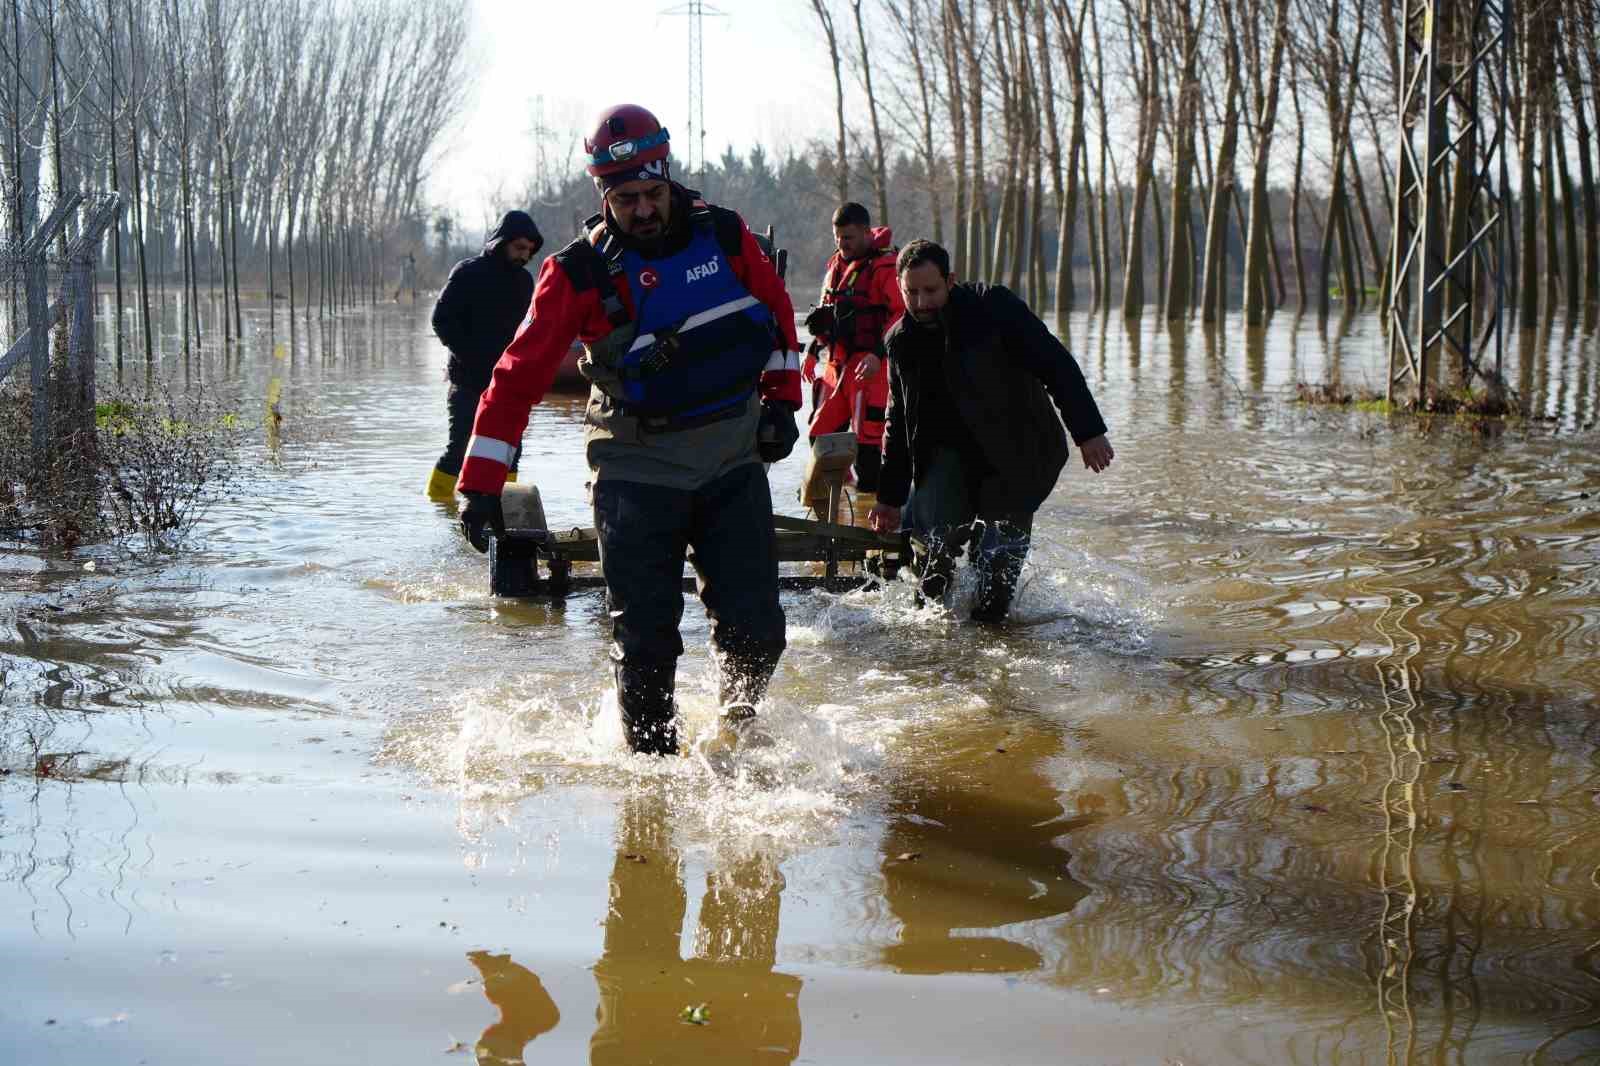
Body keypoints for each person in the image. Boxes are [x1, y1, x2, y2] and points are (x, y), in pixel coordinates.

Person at [455, 104, 803, 755]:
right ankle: (651, 790)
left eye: (651, 194)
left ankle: (736, 731)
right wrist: (480, 484)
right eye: (625, 199)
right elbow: (515, 378)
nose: (642, 210)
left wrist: (783, 400)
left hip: (730, 460)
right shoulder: (576, 274)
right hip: (635, 472)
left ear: (668, 178)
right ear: (602, 194)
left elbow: (778, 314)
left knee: (758, 632)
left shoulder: (726, 236)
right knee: (646, 643)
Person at [867, 239, 1114, 623]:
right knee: (931, 569)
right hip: (946, 455)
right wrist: (888, 497)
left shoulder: (994, 307)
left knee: (995, 580)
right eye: (910, 293)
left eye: (930, 290)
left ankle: (992, 634)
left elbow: (1055, 363)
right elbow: (897, 421)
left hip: (1015, 449)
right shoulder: (901, 341)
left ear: (950, 281)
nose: (921, 303)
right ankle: (929, 641)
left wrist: (1088, 431)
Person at [426, 211, 544, 500]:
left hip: (508, 386)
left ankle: (504, 513)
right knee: (460, 449)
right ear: (501, 243)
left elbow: (527, 332)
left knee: (510, 452)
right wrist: (474, 358)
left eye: (529, 250)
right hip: (468, 383)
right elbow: (441, 320)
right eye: (519, 248)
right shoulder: (468, 272)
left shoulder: (525, 282)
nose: (524, 256)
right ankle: (440, 509)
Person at [801, 202, 904, 493]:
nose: (842, 244)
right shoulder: (836, 265)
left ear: (866, 233)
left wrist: (877, 354)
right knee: (820, 438)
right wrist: (812, 352)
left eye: (848, 238)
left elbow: (900, 316)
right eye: (837, 238)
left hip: (871, 369)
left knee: (869, 450)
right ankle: (839, 497)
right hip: (837, 366)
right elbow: (826, 314)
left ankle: (873, 512)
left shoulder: (885, 267)